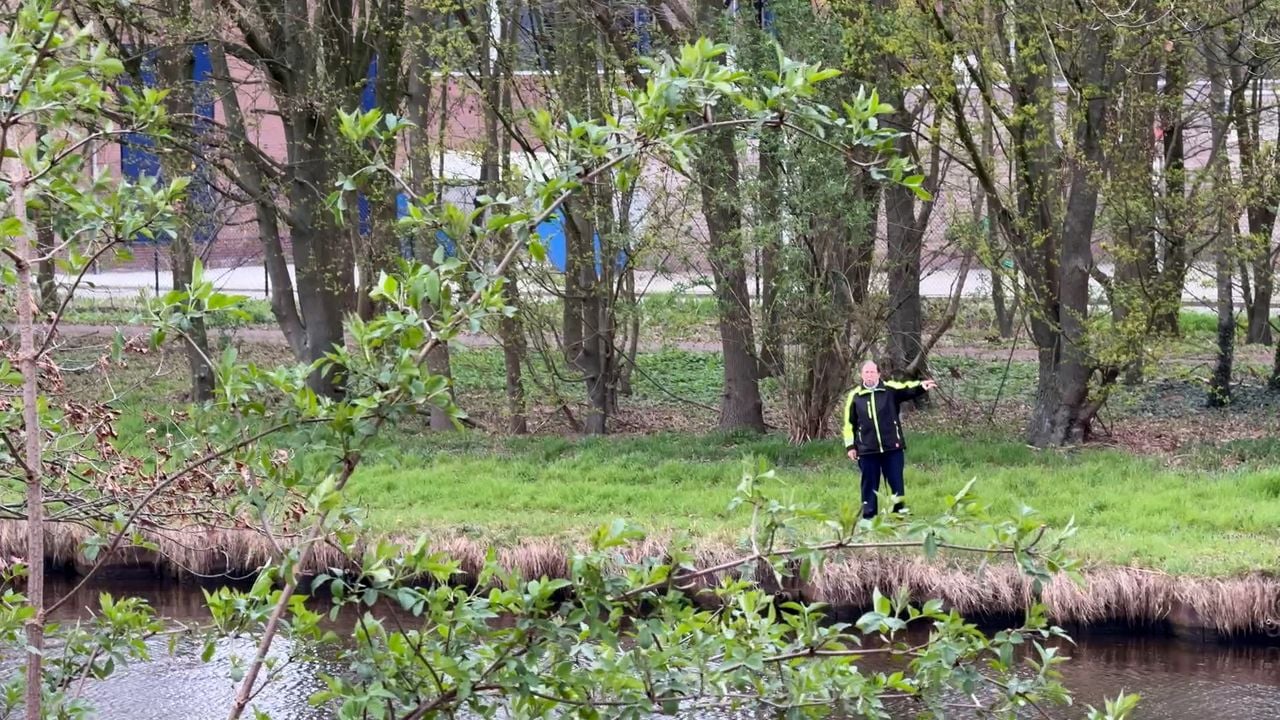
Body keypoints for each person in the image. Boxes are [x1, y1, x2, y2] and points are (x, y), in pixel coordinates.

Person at [841, 361, 936, 519]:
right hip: (867, 449)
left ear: (878, 374)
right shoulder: (855, 396)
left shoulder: (889, 390)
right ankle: (869, 515)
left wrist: (921, 387)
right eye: (866, 372)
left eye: (872, 372)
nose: (869, 375)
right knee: (869, 484)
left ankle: (898, 513)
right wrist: (850, 446)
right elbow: (849, 423)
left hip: (892, 446)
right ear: (861, 375)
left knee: (895, 481)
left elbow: (907, 390)